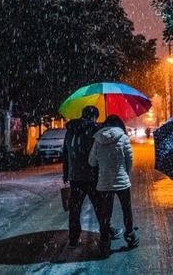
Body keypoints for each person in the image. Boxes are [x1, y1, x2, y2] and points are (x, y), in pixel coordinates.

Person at [61, 106, 122, 248]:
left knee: (75, 209)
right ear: (94, 116)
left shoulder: (70, 130)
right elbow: (101, 152)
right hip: (92, 175)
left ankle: (73, 238)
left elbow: (65, 153)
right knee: (101, 207)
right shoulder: (95, 129)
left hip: (75, 175)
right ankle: (106, 233)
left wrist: (66, 173)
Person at [89, 114, 139, 257]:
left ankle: (105, 242)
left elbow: (91, 161)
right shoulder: (123, 138)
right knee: (126, 210)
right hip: (122, 182)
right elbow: (130, 160)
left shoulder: (97, 140)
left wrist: (102, 165)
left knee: (106, 214)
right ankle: (130, 236)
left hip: (104, 184)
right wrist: (125, 173)